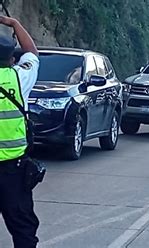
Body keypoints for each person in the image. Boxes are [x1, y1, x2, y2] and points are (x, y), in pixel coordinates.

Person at [0, 16, 40, 247]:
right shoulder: (19, 77)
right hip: (13, 171)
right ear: (11, 58)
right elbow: (32, 53)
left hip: (13, 169)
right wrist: (15, 23)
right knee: (23, 229)